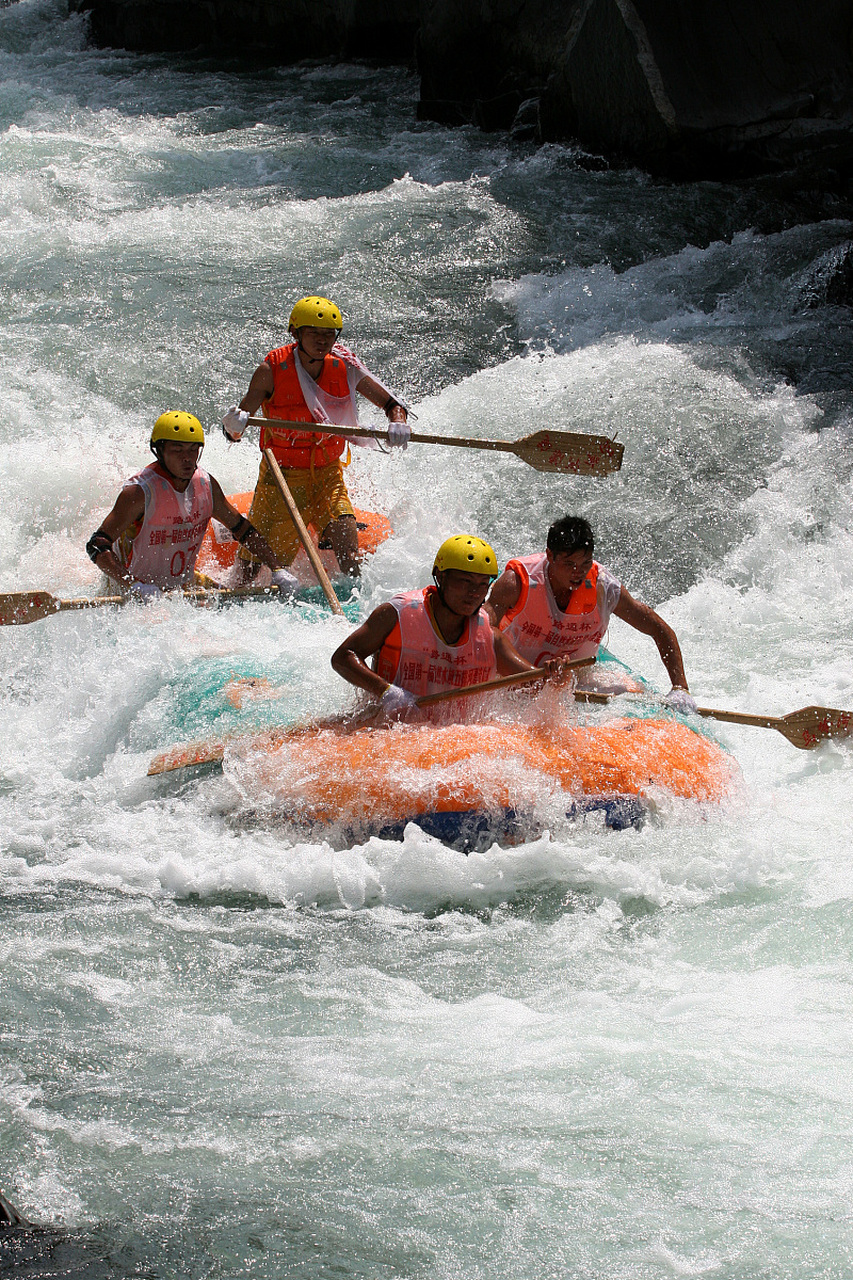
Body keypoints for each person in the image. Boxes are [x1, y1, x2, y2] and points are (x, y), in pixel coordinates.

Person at [221, 294, 411, 581]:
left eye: (329, 334)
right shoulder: (270, 371)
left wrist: (398, 422)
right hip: (281, 476)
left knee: (345, 527)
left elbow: (393, 405)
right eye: (314, 333)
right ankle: (238, 593)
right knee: (254, 566)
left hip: (327, 473)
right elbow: (233, 434)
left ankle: (353, 591)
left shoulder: (344, 365)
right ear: (295, 333)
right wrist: (233, 423)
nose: (323, 341)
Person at [330, 534, 567, 723]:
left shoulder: (490, 637)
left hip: (450, 745)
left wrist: (554, 675)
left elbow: (533, 681)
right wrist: (386, 692)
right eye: (465, 582)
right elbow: (343, 657)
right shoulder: (396, 614)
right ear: (440, 577)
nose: (474, 593)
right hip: (390, 731)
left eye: (482, 585)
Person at [484, 515, 698, 711]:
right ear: (550, 555)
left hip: (576, 680)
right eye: (569, 564)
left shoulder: (603, 586)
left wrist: (680, 687)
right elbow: (484, 630)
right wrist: (534, 677)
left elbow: (658, 629)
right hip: (513, 679)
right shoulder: (517, 582)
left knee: (638, 702)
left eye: (585, 563)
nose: (578, 573)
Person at [85, 411, 297, 599]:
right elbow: (97, 545)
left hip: (180, 585)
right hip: (132, 590)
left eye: (193, 450)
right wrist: (134, 586)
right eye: (177, 450)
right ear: (159, 451)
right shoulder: (140, 492)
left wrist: (277, 569)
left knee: (233, 604)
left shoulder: (206, 485)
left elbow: (242, 529)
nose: (187, 458)